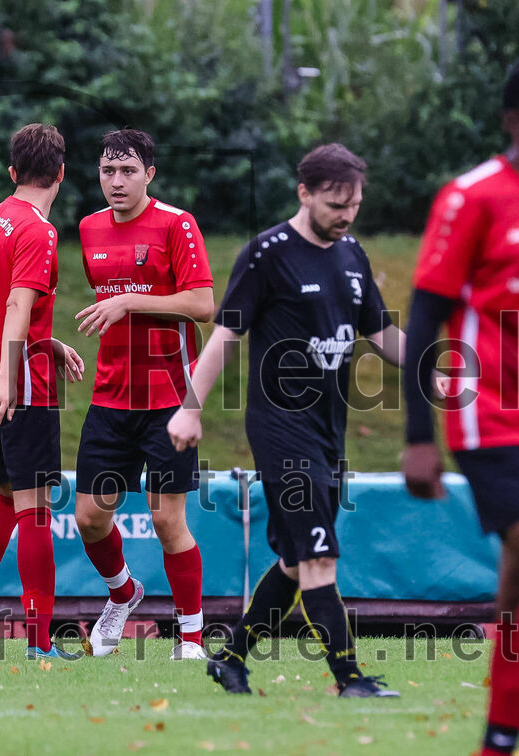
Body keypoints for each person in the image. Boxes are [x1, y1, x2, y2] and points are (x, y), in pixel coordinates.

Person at [168, 144, 403, 697]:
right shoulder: (267, 253)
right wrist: (190, 406)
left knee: (297, 563)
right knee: (319, 556)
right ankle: (350, 680)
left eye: (355, 204)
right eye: (334, 204)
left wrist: (432, 365)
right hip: (280, 428)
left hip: (328, 430)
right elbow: (225, 334)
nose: (346, 215)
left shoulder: (352, 255)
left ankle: (229, 660)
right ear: (305, 193)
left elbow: (381, 331)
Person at [402, 65, 519, 756]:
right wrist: (420, 436)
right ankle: (500, 736)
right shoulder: (471, 198)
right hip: (493, 415)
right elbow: (424, 318)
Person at [72, 128, 214, 660]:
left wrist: (132, 300)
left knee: (166, 519)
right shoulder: (88, 228)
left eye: (128, 170)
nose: (116, 181)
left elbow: (203, 304)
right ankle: (124, 594)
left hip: (171, 398)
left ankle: (192, 639)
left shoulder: (176, 224)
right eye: (108, 171)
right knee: (89, 516)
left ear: (149, 174)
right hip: (110, 398)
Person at [0, 123, 85, 660]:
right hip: (15, 387)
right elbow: (15, 307)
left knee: (6, 497)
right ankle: (38, 643)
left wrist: (45, 344)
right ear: (61, 173)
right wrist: (12, 374)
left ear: (11, 173)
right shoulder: (39, 230)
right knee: (35, 511)